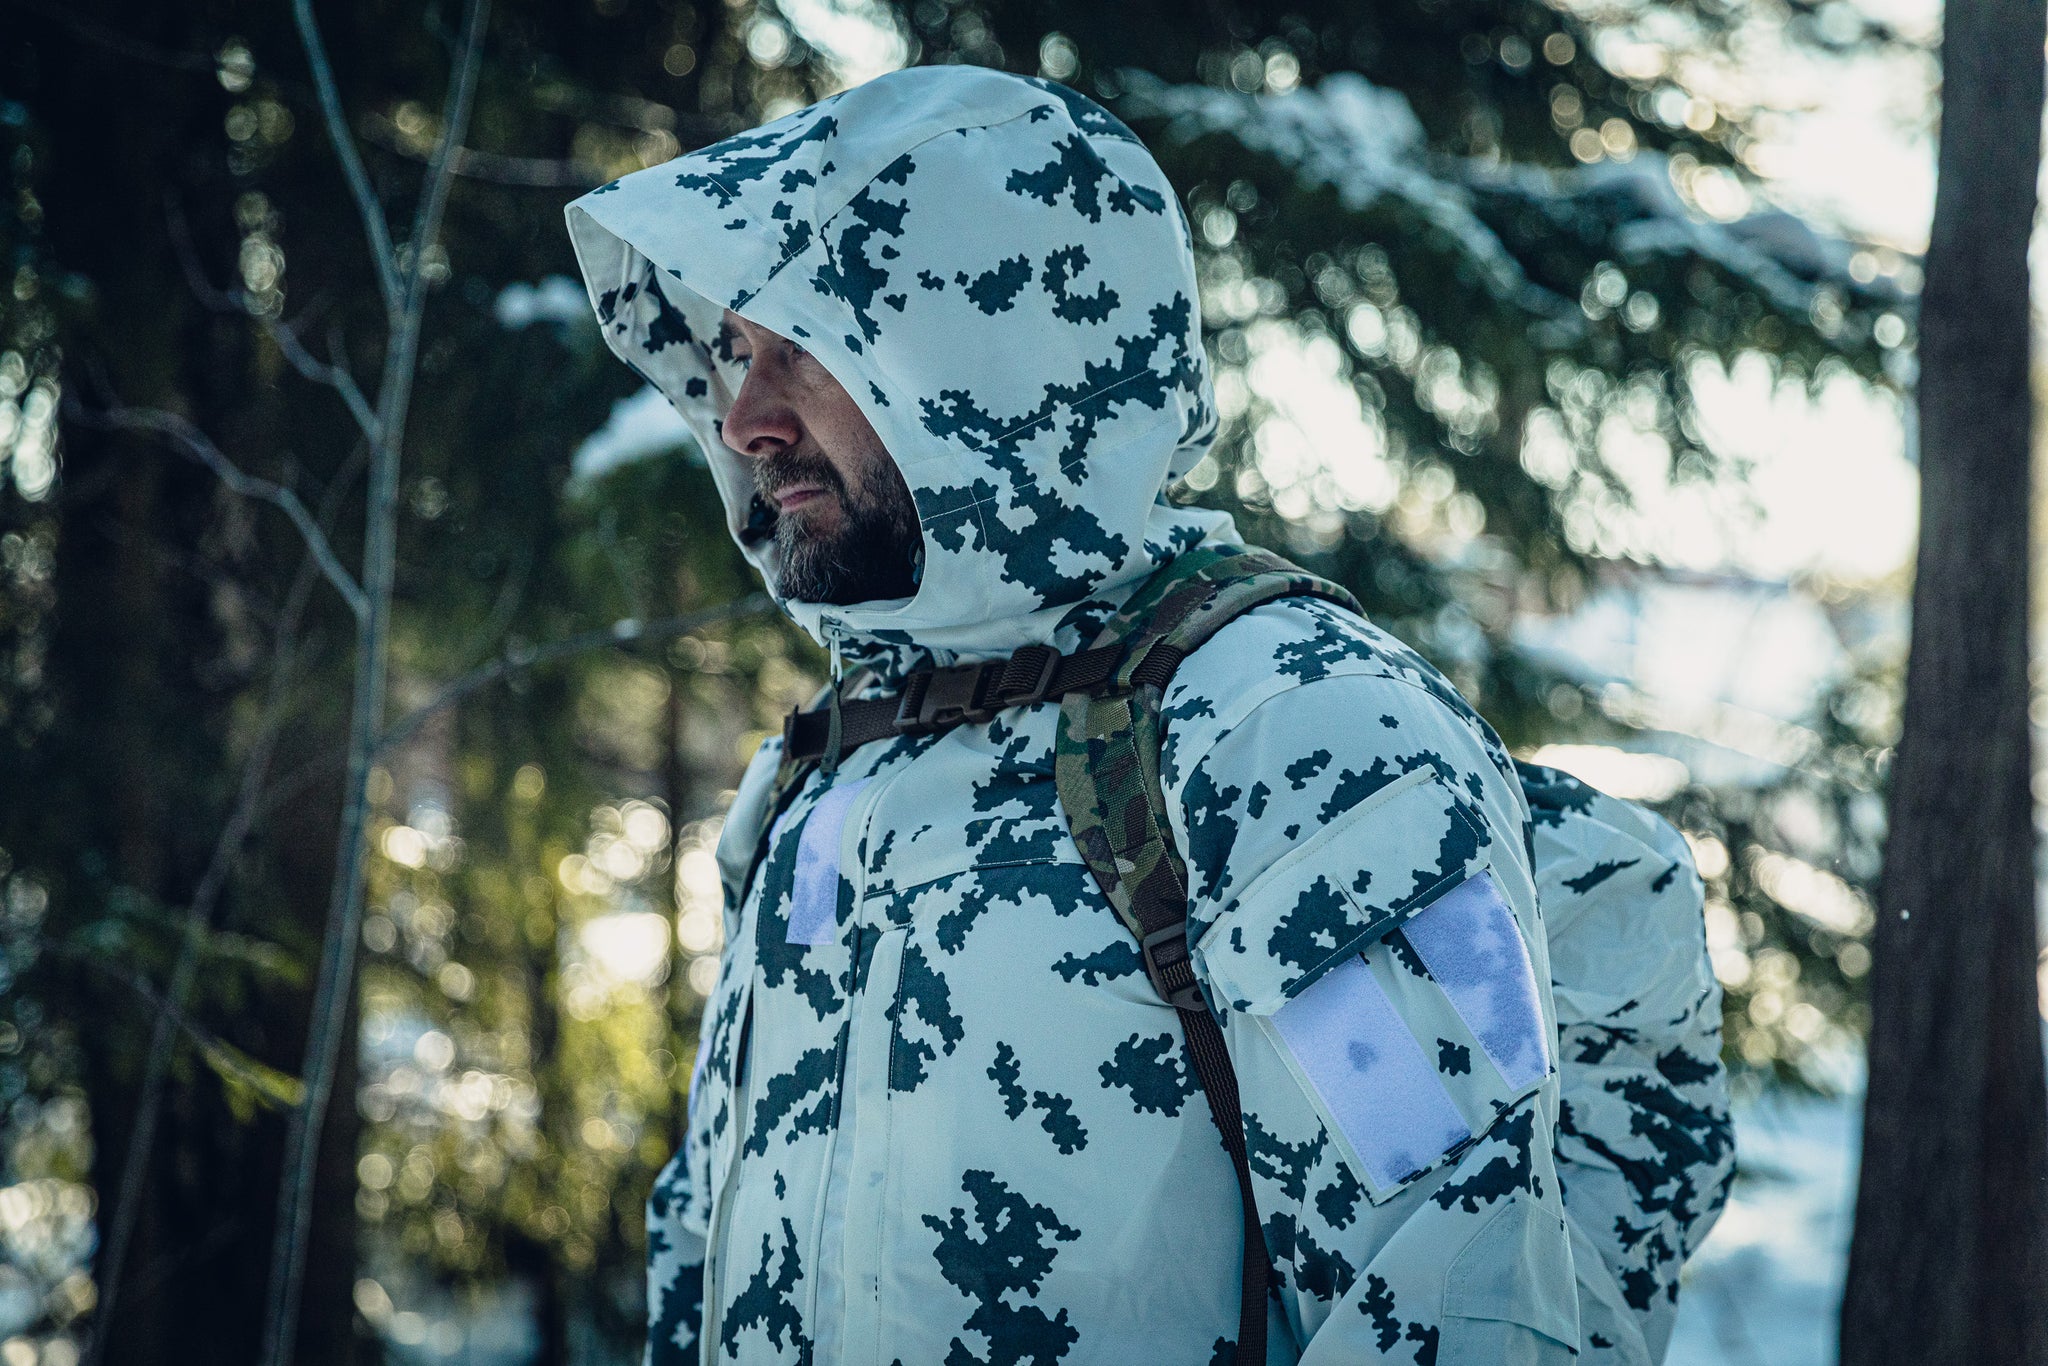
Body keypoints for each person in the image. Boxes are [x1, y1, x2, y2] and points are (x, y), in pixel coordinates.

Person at [565, 63, 1730, 1365]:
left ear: (978, 349)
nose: (747, 417)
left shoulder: (1294, 737)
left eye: (799, 345)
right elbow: (707, 1246)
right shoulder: (835, 761)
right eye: (733, 353)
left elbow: (1441, 1298)